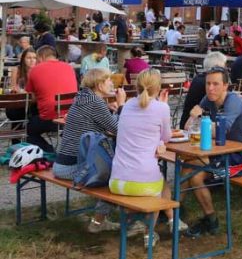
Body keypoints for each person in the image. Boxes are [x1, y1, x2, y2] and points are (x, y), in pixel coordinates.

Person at [110, 69, 187, 246]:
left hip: (117, 181)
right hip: (142, 182)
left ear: (136, 86)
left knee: (161, 183)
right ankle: (150, 233)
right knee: (158, 187)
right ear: (158, 88)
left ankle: (173, 220)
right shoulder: (161, 108)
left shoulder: (127, 105)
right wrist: (163, 107)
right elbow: (167, 136)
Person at [183, 66, 242, 237]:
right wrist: (194, 117)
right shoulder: (208, 99)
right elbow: (188, 127)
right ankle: (173, 212)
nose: (210, 88)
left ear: (225, 86)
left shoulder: (233, 102)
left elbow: (221, 131)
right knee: (188, 165)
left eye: (216, 84)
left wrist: (199, 120)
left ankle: (211, 220)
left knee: (196, 176)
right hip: (223, 152)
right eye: (208, 83)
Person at [53, 68, 126, 233]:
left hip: (61, 164)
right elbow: (119, 129)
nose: (111, 83)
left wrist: (110, 110)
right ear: (99, 85)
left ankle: (101, 219)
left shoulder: (82, 98)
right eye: (108, 80)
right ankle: (99, 222)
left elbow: (97, 121)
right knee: (119, 176)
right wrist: (121, 105)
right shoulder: (95, 102)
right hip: (74, 168)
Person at [25, 46, 78, 152]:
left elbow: (31, 97)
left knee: (28, 129)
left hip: (49, 119)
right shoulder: (69, 67)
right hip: (70, 117)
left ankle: (49, 151)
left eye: (37, 59)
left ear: (42, 56)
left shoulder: (35, 70)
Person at [179, 52, 228, 129]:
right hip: (194, 128)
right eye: (224, 67)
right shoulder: (206, 83)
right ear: (216, 68)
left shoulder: (198, 78)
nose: (226, 70)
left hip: (187, 123)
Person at [6, 48, 37, 130]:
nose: (32, 60)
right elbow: (13, 88)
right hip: (18, 103)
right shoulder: (17, 70)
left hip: (32, 104)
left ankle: (27, 132)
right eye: (29, 58)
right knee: (16, 112)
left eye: (34, 58)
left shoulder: (38, 71)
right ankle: (18, 134)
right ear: (23, 59)